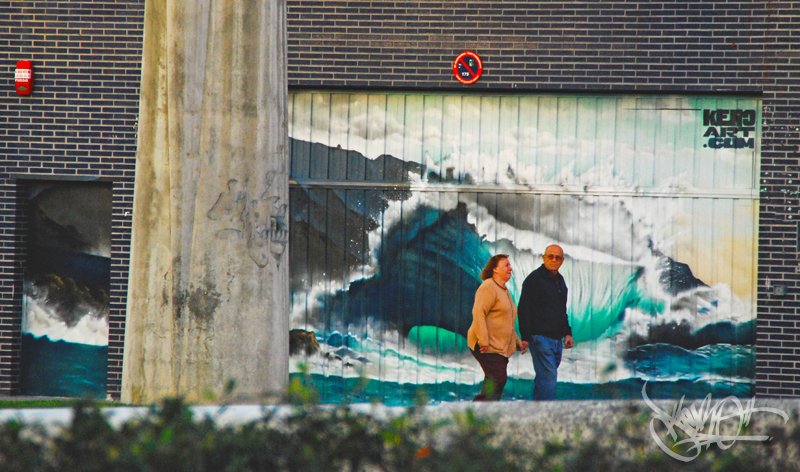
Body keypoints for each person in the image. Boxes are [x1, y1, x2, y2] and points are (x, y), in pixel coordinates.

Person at [467, 254, 528, 401]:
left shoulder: (503, 290)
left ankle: (485, 413)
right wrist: (484, 339)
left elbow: (507, 323)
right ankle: (481, 410)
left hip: (498, 346)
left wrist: (518, 342)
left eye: (510, 265)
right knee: (497, 378)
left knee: (496, 380)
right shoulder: (488, 286)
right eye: (506, 265)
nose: (510, 268)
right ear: (495, 269)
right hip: (486, 344)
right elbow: (478, 312)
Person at [517, 244, 574, 401]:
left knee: (544, 378)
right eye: (550, 256)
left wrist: (567, 333)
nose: (554, 260)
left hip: (556, 340)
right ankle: (547, 416)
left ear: (562, 261)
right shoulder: (534, 280)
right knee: (549, 379)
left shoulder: (560, 281)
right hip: (540, 338)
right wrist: (526, 337)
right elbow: (523, 309)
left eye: (558, 257)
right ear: (543, 257)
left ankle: (536, 413)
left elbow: (561, 311)